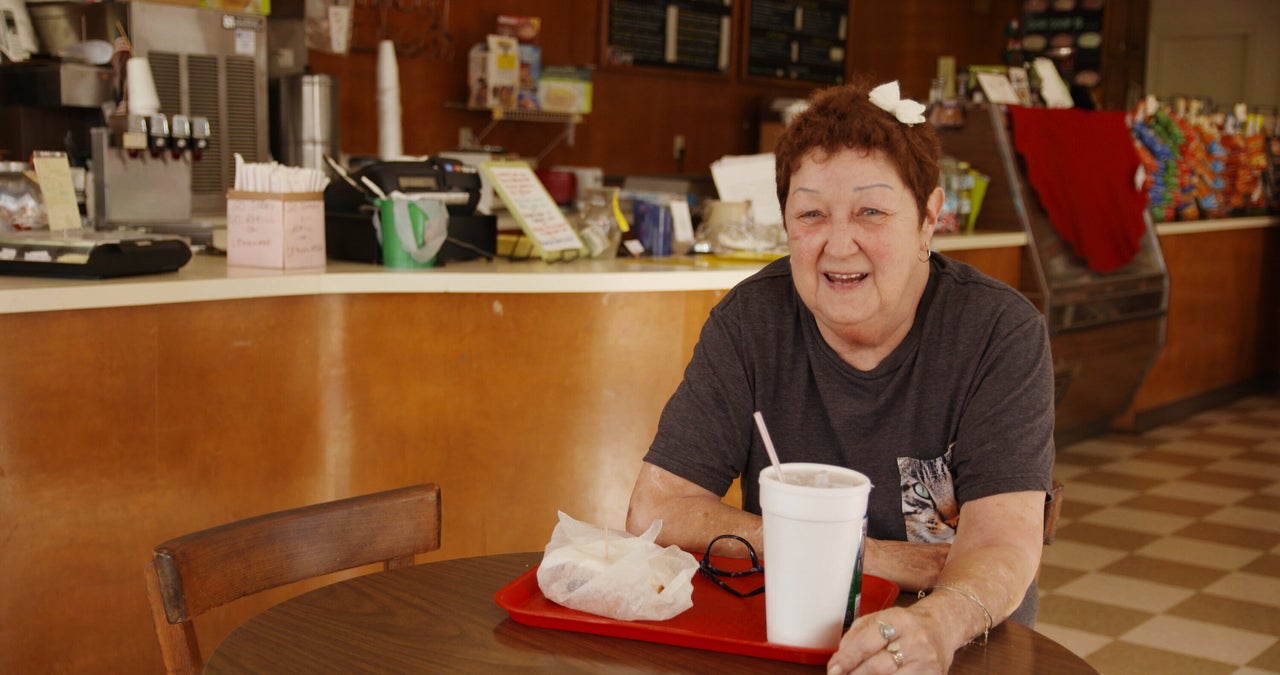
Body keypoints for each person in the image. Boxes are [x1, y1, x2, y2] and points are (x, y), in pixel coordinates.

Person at [625, 76, 1055, 673]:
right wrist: (866, 554)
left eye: (871, 211)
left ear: (929, 218)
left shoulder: (997, 333)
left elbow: (1002, 542)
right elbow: (657, 508)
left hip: (956, 639)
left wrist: (933, 626)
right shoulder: (751, 322)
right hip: (792, 635)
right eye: (811, 214)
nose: (839, 243)